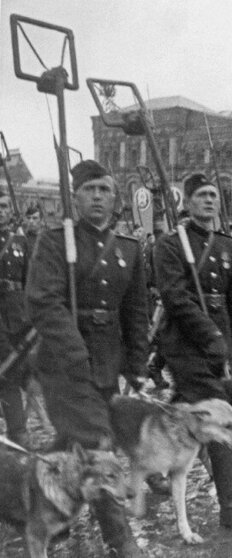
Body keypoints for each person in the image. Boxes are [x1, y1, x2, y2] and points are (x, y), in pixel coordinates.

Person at [26, 160, 146, 557]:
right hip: (64, 363)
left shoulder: (128, 248)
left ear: (115, 197)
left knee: (69, 441)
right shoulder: (55, 242)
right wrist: (74, 349)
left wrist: (138, 364)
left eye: (104, 190)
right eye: (89, 190)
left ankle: (39, 501)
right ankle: (120, 538)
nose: (97, 197)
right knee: (97, 442)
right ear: (75, 198)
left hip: (107, 361)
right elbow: (43, 301)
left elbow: (135, 309)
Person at [154, 173, 232, 535]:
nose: (209, 201)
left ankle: (153, 461)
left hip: (218, 345)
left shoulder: (226, 245)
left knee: (184, 406)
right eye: (201, 195)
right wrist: (210, 334)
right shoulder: (171, 245)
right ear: (187, 202)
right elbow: (174, 297)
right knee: (218, 413)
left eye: (213, 195)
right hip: (185, 343)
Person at [0, 192, 30, 447]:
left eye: (4, 206)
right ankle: (18, 431)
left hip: (18, 316)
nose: (1, 211)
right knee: (7, 370)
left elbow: (30, 281)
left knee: (15, 370)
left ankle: (19, 429)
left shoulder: (20, 242)